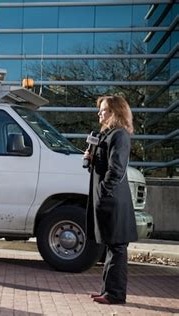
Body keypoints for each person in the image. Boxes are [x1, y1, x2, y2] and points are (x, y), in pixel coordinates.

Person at [84, 95, 138, 305]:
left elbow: (116, 169)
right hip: (106, 199)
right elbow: (101, 166)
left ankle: (115, 295)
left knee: (117, 248)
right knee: (111, 248)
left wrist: (104, 192)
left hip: (113, 201)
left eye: (104, 109)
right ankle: (107, 291)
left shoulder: (120, 136)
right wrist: (90, 158)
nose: (99, 113)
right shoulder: (106, 135)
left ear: (115, 112)